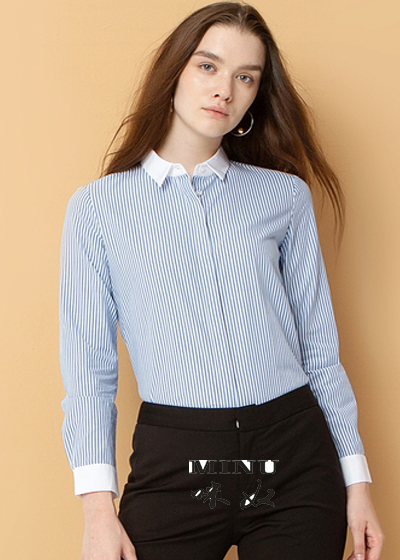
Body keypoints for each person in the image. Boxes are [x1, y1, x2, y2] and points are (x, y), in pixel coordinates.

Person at [59, 2, 385, 559]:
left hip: (295, 460)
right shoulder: (97, 210)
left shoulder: (282, 197)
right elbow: (90, 372)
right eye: (208, 66)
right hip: (175, 461)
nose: (224, 90)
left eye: (245, 77)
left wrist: (357, 484)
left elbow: (320, 352)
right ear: (174, 71)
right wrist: (97, 513)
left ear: (257, 94)